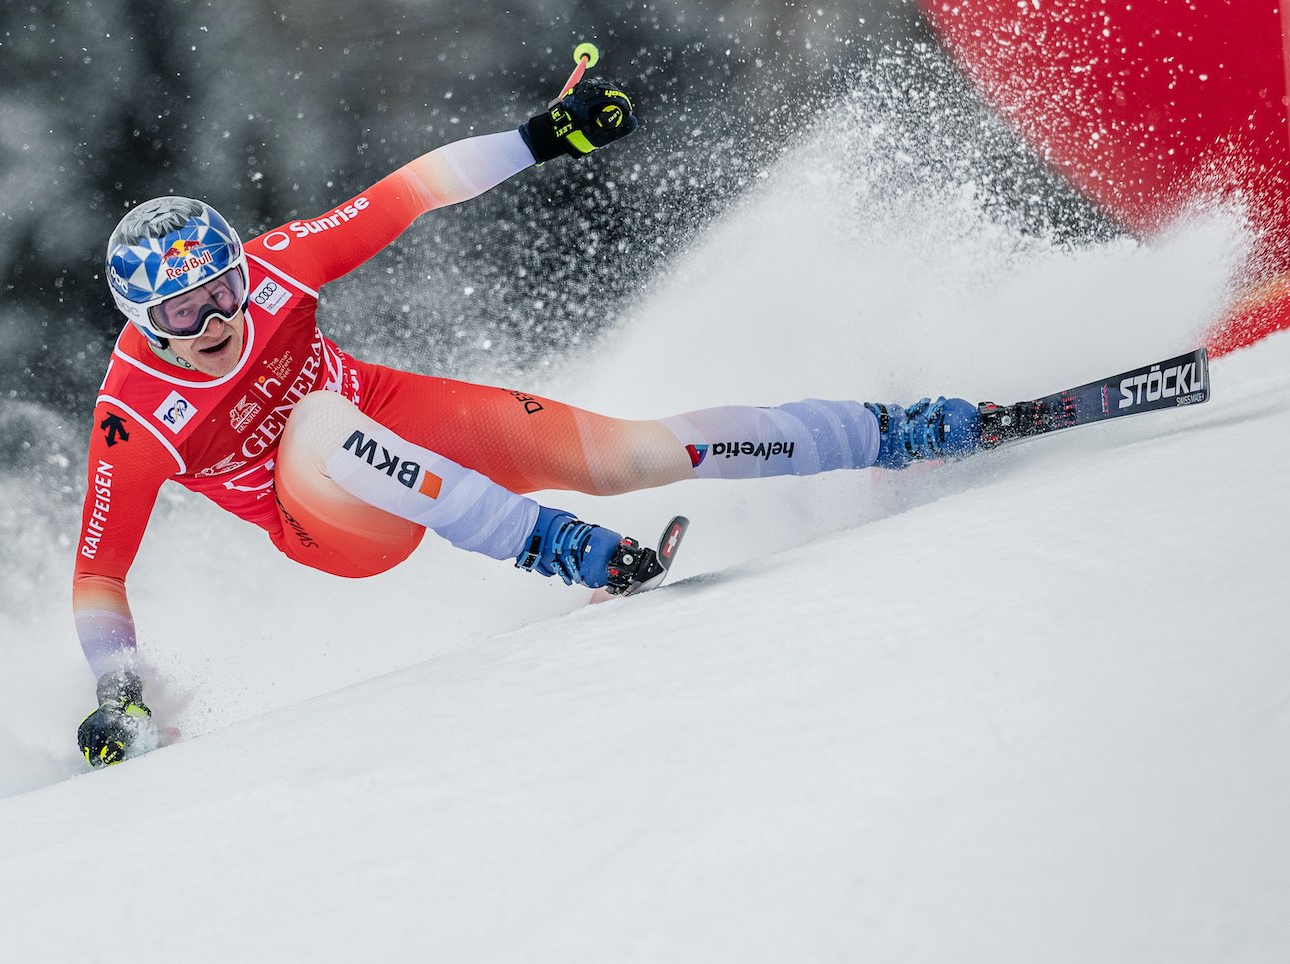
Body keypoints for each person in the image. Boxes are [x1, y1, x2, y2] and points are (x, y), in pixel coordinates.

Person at [74, 79, 983, 766]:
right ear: (146, 324)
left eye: (224, 290)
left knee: (634, 453)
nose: (220, 322)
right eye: (185, 315)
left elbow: (412, 190)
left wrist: (541, 138)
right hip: (326, 521)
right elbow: (100, 574)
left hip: (390, 418)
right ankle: (550, 546)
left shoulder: (280, 268)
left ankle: (891, 435)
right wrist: (122, 694)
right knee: (315, 423)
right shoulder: (136, 417)